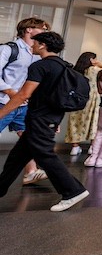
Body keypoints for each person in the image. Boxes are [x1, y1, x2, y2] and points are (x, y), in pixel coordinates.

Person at [0, 31, 89, 211]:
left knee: (45, 155)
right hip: (48, 117)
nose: (32, 46)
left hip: (39, 118)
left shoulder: (40, 66)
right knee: (16, 158)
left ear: (42, 45)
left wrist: (1, 113)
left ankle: (72, 190)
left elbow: (24, 95)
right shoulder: (63, 66)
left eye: (35, 43)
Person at [0, 17, 51, 185]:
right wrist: (10, 92)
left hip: (25, 106)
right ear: (29, 29)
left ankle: (31, 172)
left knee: (28, 137)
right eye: (42, 29)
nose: (45, 32)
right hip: (4, 102)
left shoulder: (37, 53)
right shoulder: (9, 49)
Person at [65, 52, 102, 156]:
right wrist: (100, 64)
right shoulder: (94, 70)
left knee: (74, 121)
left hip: (76, 98)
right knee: (93, 121)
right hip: (92, 98)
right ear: (91, 60)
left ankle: (75, 147)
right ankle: (92, 147)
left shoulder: (75, 70)